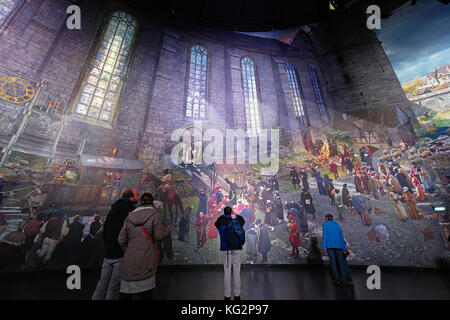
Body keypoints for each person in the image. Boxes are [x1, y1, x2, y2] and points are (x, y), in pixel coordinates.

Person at [118, 193, 171, 300]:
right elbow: (158, 236)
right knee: (146, 293)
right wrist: (167, 229)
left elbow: (121, 239)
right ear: (152, 202)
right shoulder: (155, 215)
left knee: (126, 294)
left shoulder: (130, 216)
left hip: (130, 258)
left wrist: (129, 249)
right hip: (147, 256)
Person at [92, 189, 138, 300]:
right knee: (114, 288)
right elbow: (131, 233)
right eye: (137, 195)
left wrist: (109, 245)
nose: (138, 197)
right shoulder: (130, 212)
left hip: (108, 253)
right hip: (121, 254)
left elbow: (105, 231)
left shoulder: (112, 210)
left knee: (101, 285)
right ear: (131, 198)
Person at [215, 206, 245, 300]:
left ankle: (227, 295)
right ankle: (237, 295)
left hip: (226, 249)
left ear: (224, 212)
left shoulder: (220, 220)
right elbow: (242, 220)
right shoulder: (236, 220)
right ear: (231, 212)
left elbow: (216, 224)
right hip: (236, 247)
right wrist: (234, 215)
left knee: (227, 273)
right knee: (237, 272)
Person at [322, 214, 353, 286]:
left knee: (333, 263)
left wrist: (324, 247)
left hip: (330, 246)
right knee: (341, 263)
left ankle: (337, 280)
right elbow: (341, 236)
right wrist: (344, 248)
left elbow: (325, 236)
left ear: (326, 218)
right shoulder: (337, 224)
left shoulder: (325, 224)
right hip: (339, 246)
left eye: (325, 218)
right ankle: (344, 281)